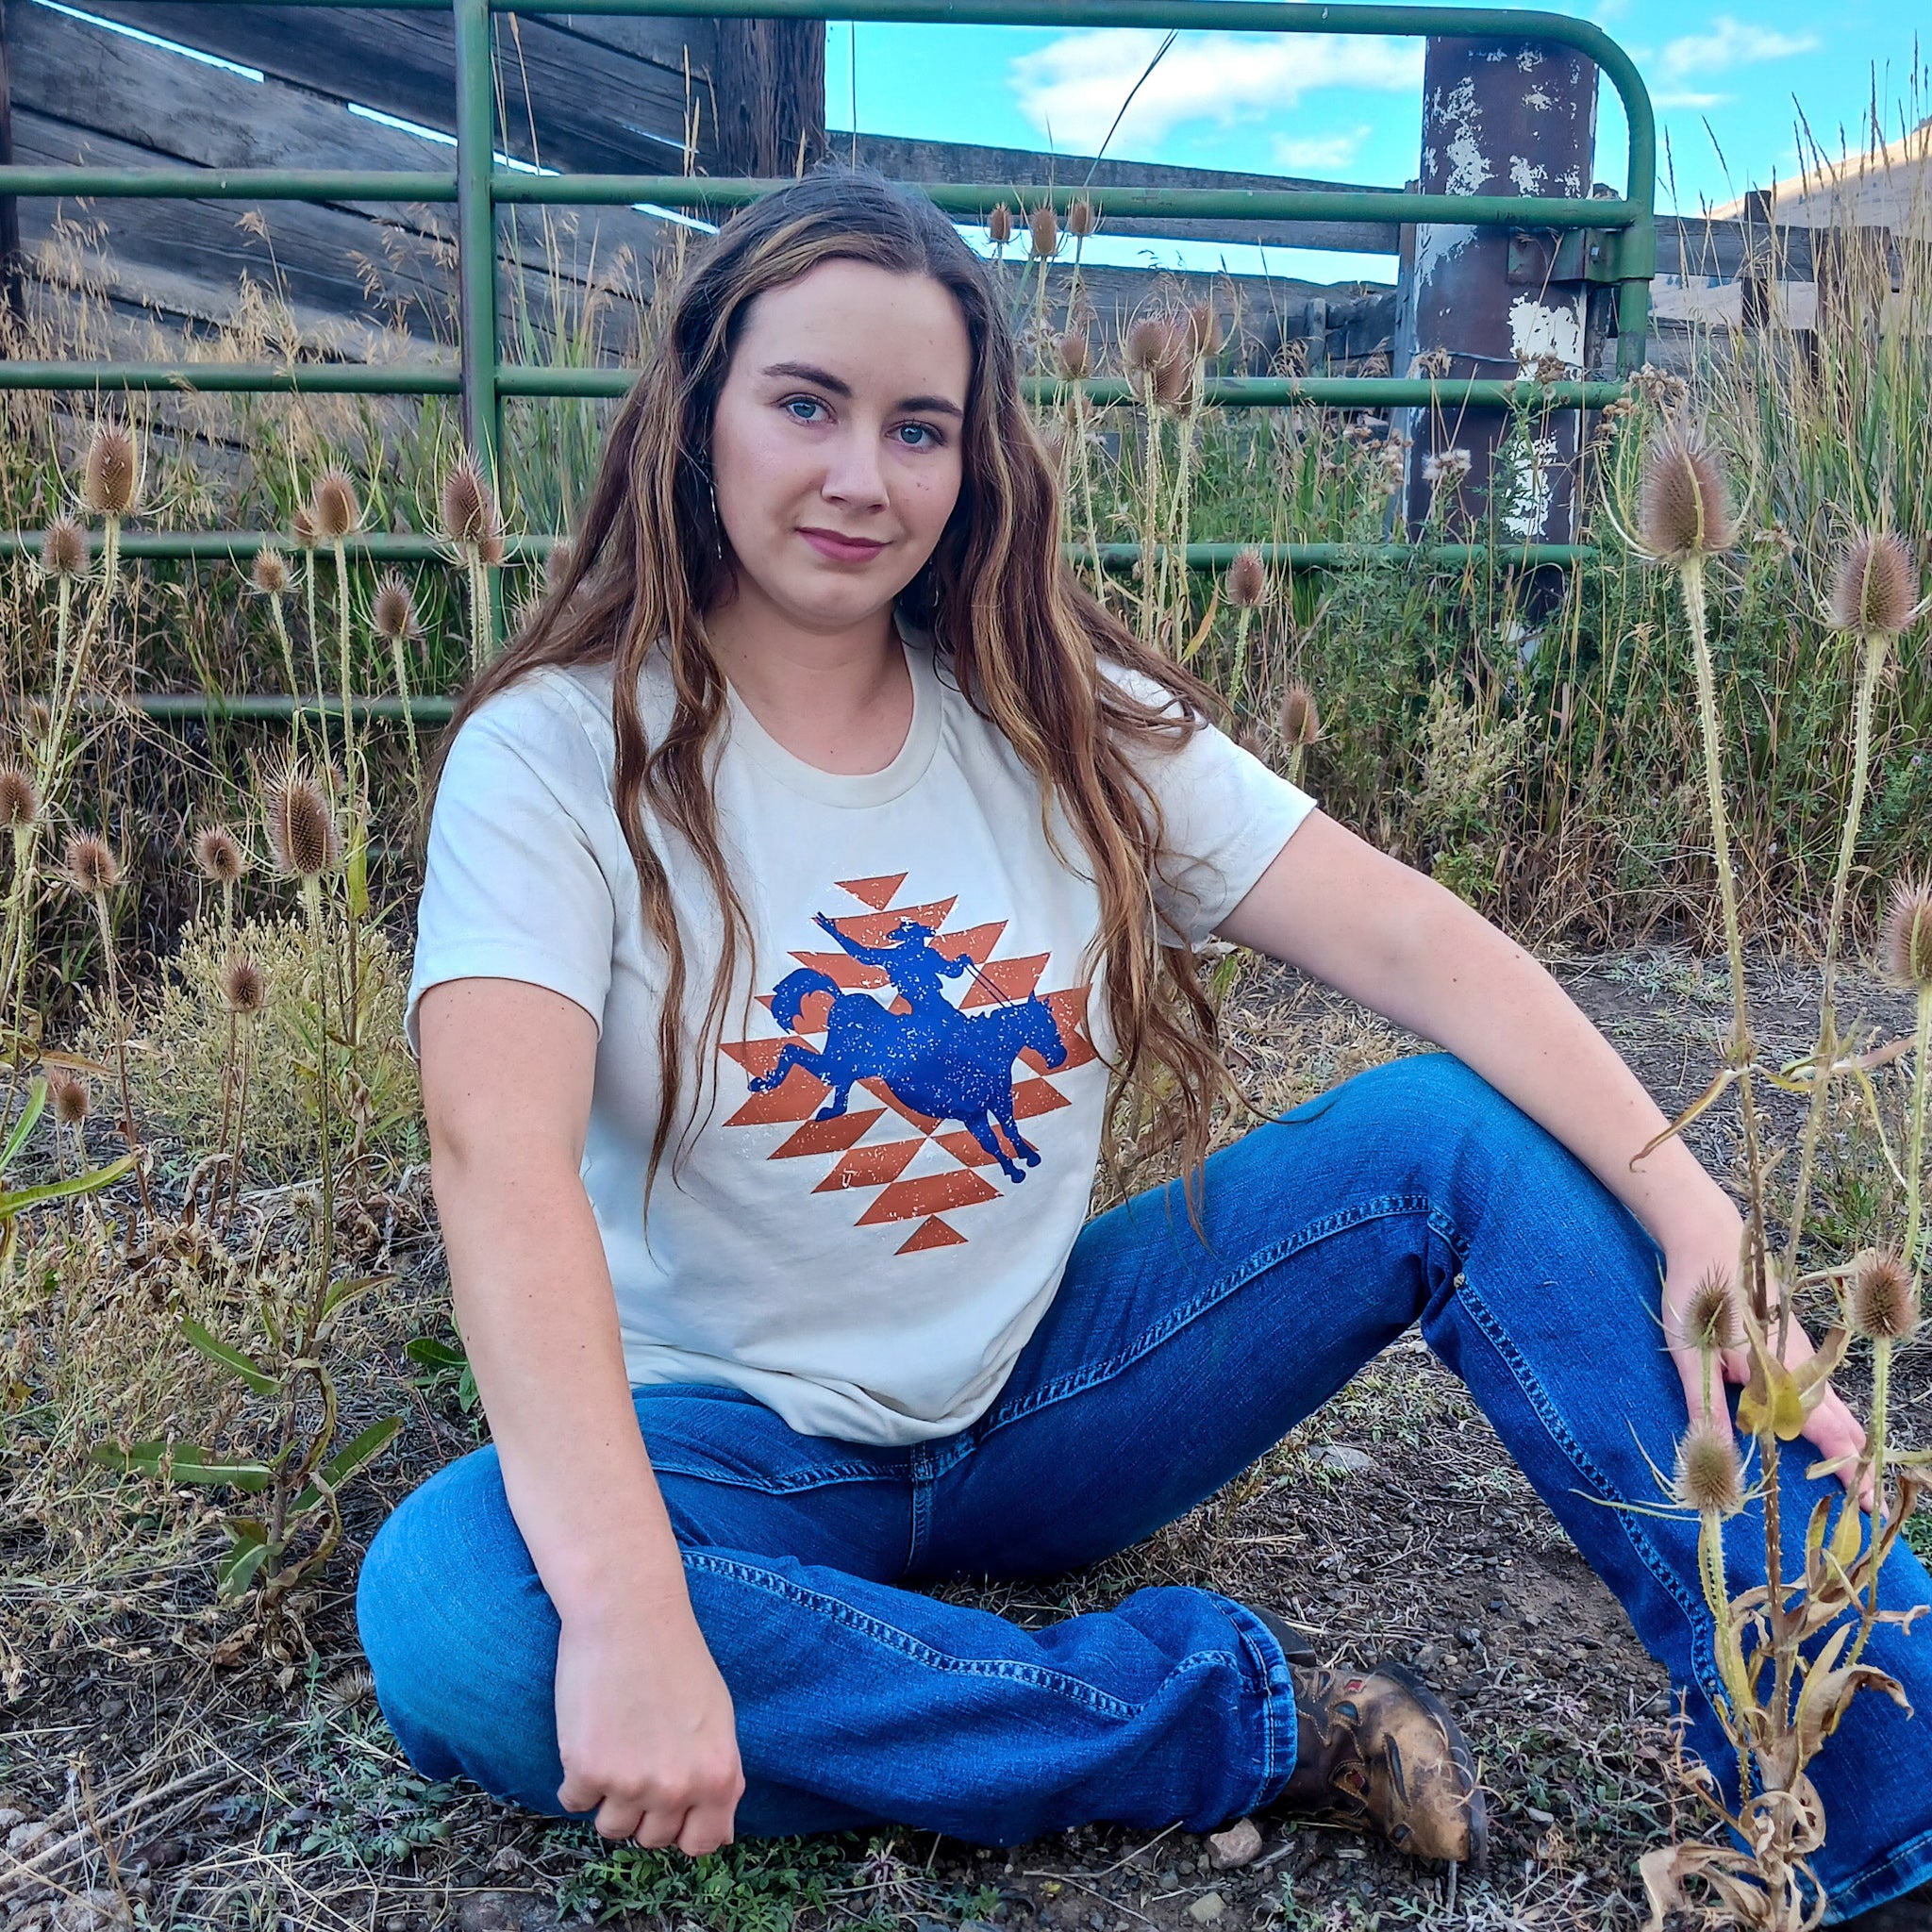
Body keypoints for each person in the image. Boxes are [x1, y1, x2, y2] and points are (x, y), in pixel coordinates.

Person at [354, 168, 1932, 1922]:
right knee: (461, 1617)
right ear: (700, 407)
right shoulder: (559, 757)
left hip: (1057, 1390)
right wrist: (639, 1618)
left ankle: (1887, 1797)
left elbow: (1412, 938)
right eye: (806, 403)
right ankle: (1218, 1718)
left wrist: (1700, 1215)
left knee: (1446, 1140)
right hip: (732, 1452)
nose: (861, 477)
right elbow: (499, 1163)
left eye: (920, 427)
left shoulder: (1057, 717)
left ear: (978, 463)